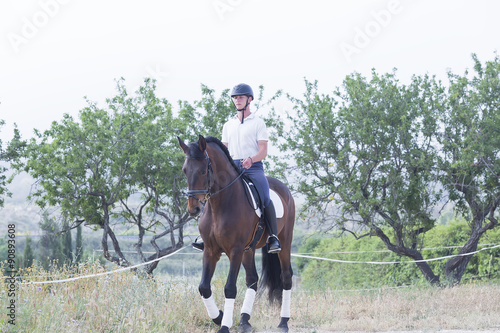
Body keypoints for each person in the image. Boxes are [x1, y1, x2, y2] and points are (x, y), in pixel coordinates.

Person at [192, 83, 281, 254]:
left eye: (240, 97)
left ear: (249, 100)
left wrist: (251, 159)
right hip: (232, 168)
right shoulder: (228, 125)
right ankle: (205, 235)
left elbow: (263, 150)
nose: (237, 100)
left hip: (253, 167)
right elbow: (224, 150)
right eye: (235, 98)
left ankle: (273, 237)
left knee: (264, 196)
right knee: (212, 193)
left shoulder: (258, 123)